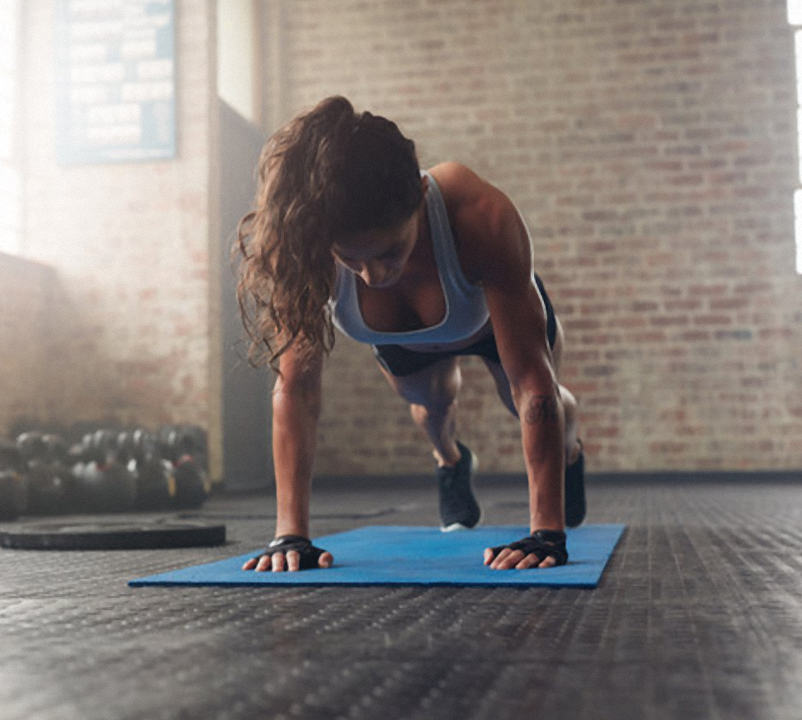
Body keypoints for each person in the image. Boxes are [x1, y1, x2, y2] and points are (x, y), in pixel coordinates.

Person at [234, 96, 585, 573]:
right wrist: (290, 535)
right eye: (351, 259)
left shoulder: (481, 215)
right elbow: (296, 387)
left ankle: (572, 449)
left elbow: (529, 380)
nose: (373, 276)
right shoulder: (306, 247)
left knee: (537, 407)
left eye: (389, 251)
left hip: (491, 321)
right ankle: (451, 461)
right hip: (405, 340)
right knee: (432, 405)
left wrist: (546, 531)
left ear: (421, 196)